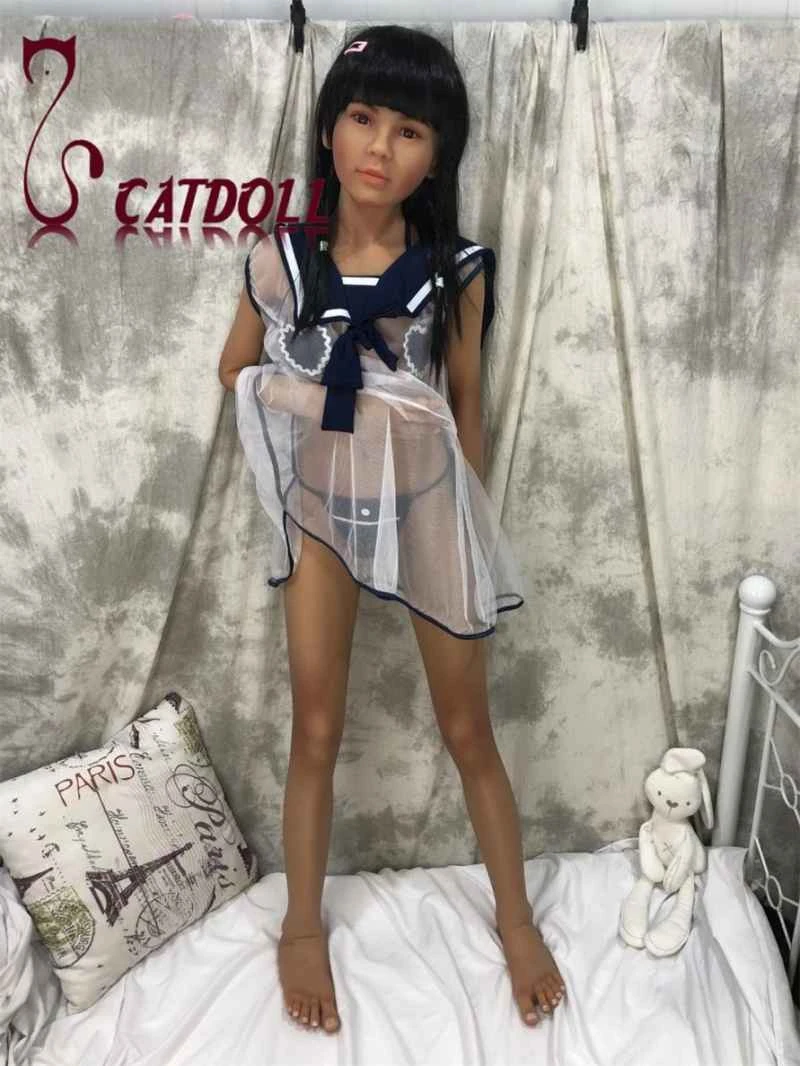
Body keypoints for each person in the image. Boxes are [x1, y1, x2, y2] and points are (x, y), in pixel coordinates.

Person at [218, 24, 566, 1037]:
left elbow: (465, 408)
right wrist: (326, 398)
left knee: (468, 729)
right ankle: (300, 926)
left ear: (437, 152)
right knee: (316, 727)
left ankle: (514, 920)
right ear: (329, 127)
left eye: (409, 130)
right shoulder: (280, 260)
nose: (379, 147)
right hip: (322, 516)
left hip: (425, 513)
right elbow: (234, 372)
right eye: (363, 118)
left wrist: (465, 526)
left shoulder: (454, 270)